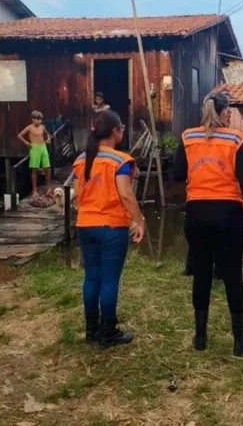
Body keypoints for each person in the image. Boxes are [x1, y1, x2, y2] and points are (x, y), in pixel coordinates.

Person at [174, 91, 243, 357]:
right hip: (229, 213)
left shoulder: (187, 137)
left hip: (197, 212)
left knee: (201, 272)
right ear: (224, 112)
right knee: (233, 274)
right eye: (230, 111)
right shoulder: (235, 138)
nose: (230, 115)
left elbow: (178, 174)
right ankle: (239, 341)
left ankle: (200, 338)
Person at [73, 110, 145, 349]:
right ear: (115, 131)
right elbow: (126, 194)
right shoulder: (119, 160)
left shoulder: (81, 160)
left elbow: (77, 198)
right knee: (109, 280)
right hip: (112, 227)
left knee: (91, 277)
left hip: (86, 225)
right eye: (122, 127)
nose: (122, 131)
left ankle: (91, 330)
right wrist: (139, 220)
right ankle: (108, 332)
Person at [17, 111, 52, 197]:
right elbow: (19, 135)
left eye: (40, 119)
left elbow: (47, 134)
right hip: (34, 148)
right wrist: (26, 143)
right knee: (34, 169)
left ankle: (49, 188)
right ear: (33, 119)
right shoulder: (29, 127)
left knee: (47, 168)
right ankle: (34, 190)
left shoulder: (42, 127)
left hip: (43, 147)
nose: (39, 121)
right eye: (37, 119)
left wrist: (48, 139)